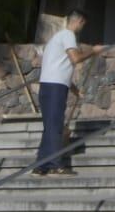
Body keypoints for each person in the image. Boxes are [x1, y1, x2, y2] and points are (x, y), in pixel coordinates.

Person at [34, 9, 100, 177]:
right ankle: (57, 165)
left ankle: (40, 166)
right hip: (55, 88)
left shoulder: (55, 39)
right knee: (55, 126)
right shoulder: (68, 35)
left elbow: (58, 68)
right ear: (79, 21)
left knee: (50, 126)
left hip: (47, 85)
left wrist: (75, 90)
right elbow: (75, 59)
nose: (82, 28)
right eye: (83, 24)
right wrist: (93, 51)